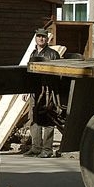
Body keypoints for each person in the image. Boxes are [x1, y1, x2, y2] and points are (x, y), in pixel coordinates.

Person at [27, 28, 62, 158]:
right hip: (35, 91)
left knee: (48, 119)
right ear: (36, 38)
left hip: (48, 90)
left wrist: (54, 91)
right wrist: (27, 90)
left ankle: (47, 149)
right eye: (39, 36)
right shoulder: (33, 53)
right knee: (33, 118)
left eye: (43, 37)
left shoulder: (53, 54)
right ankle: (36, 147)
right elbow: (29, 73)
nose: (41, 39)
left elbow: (58, 74)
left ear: (47, 39)